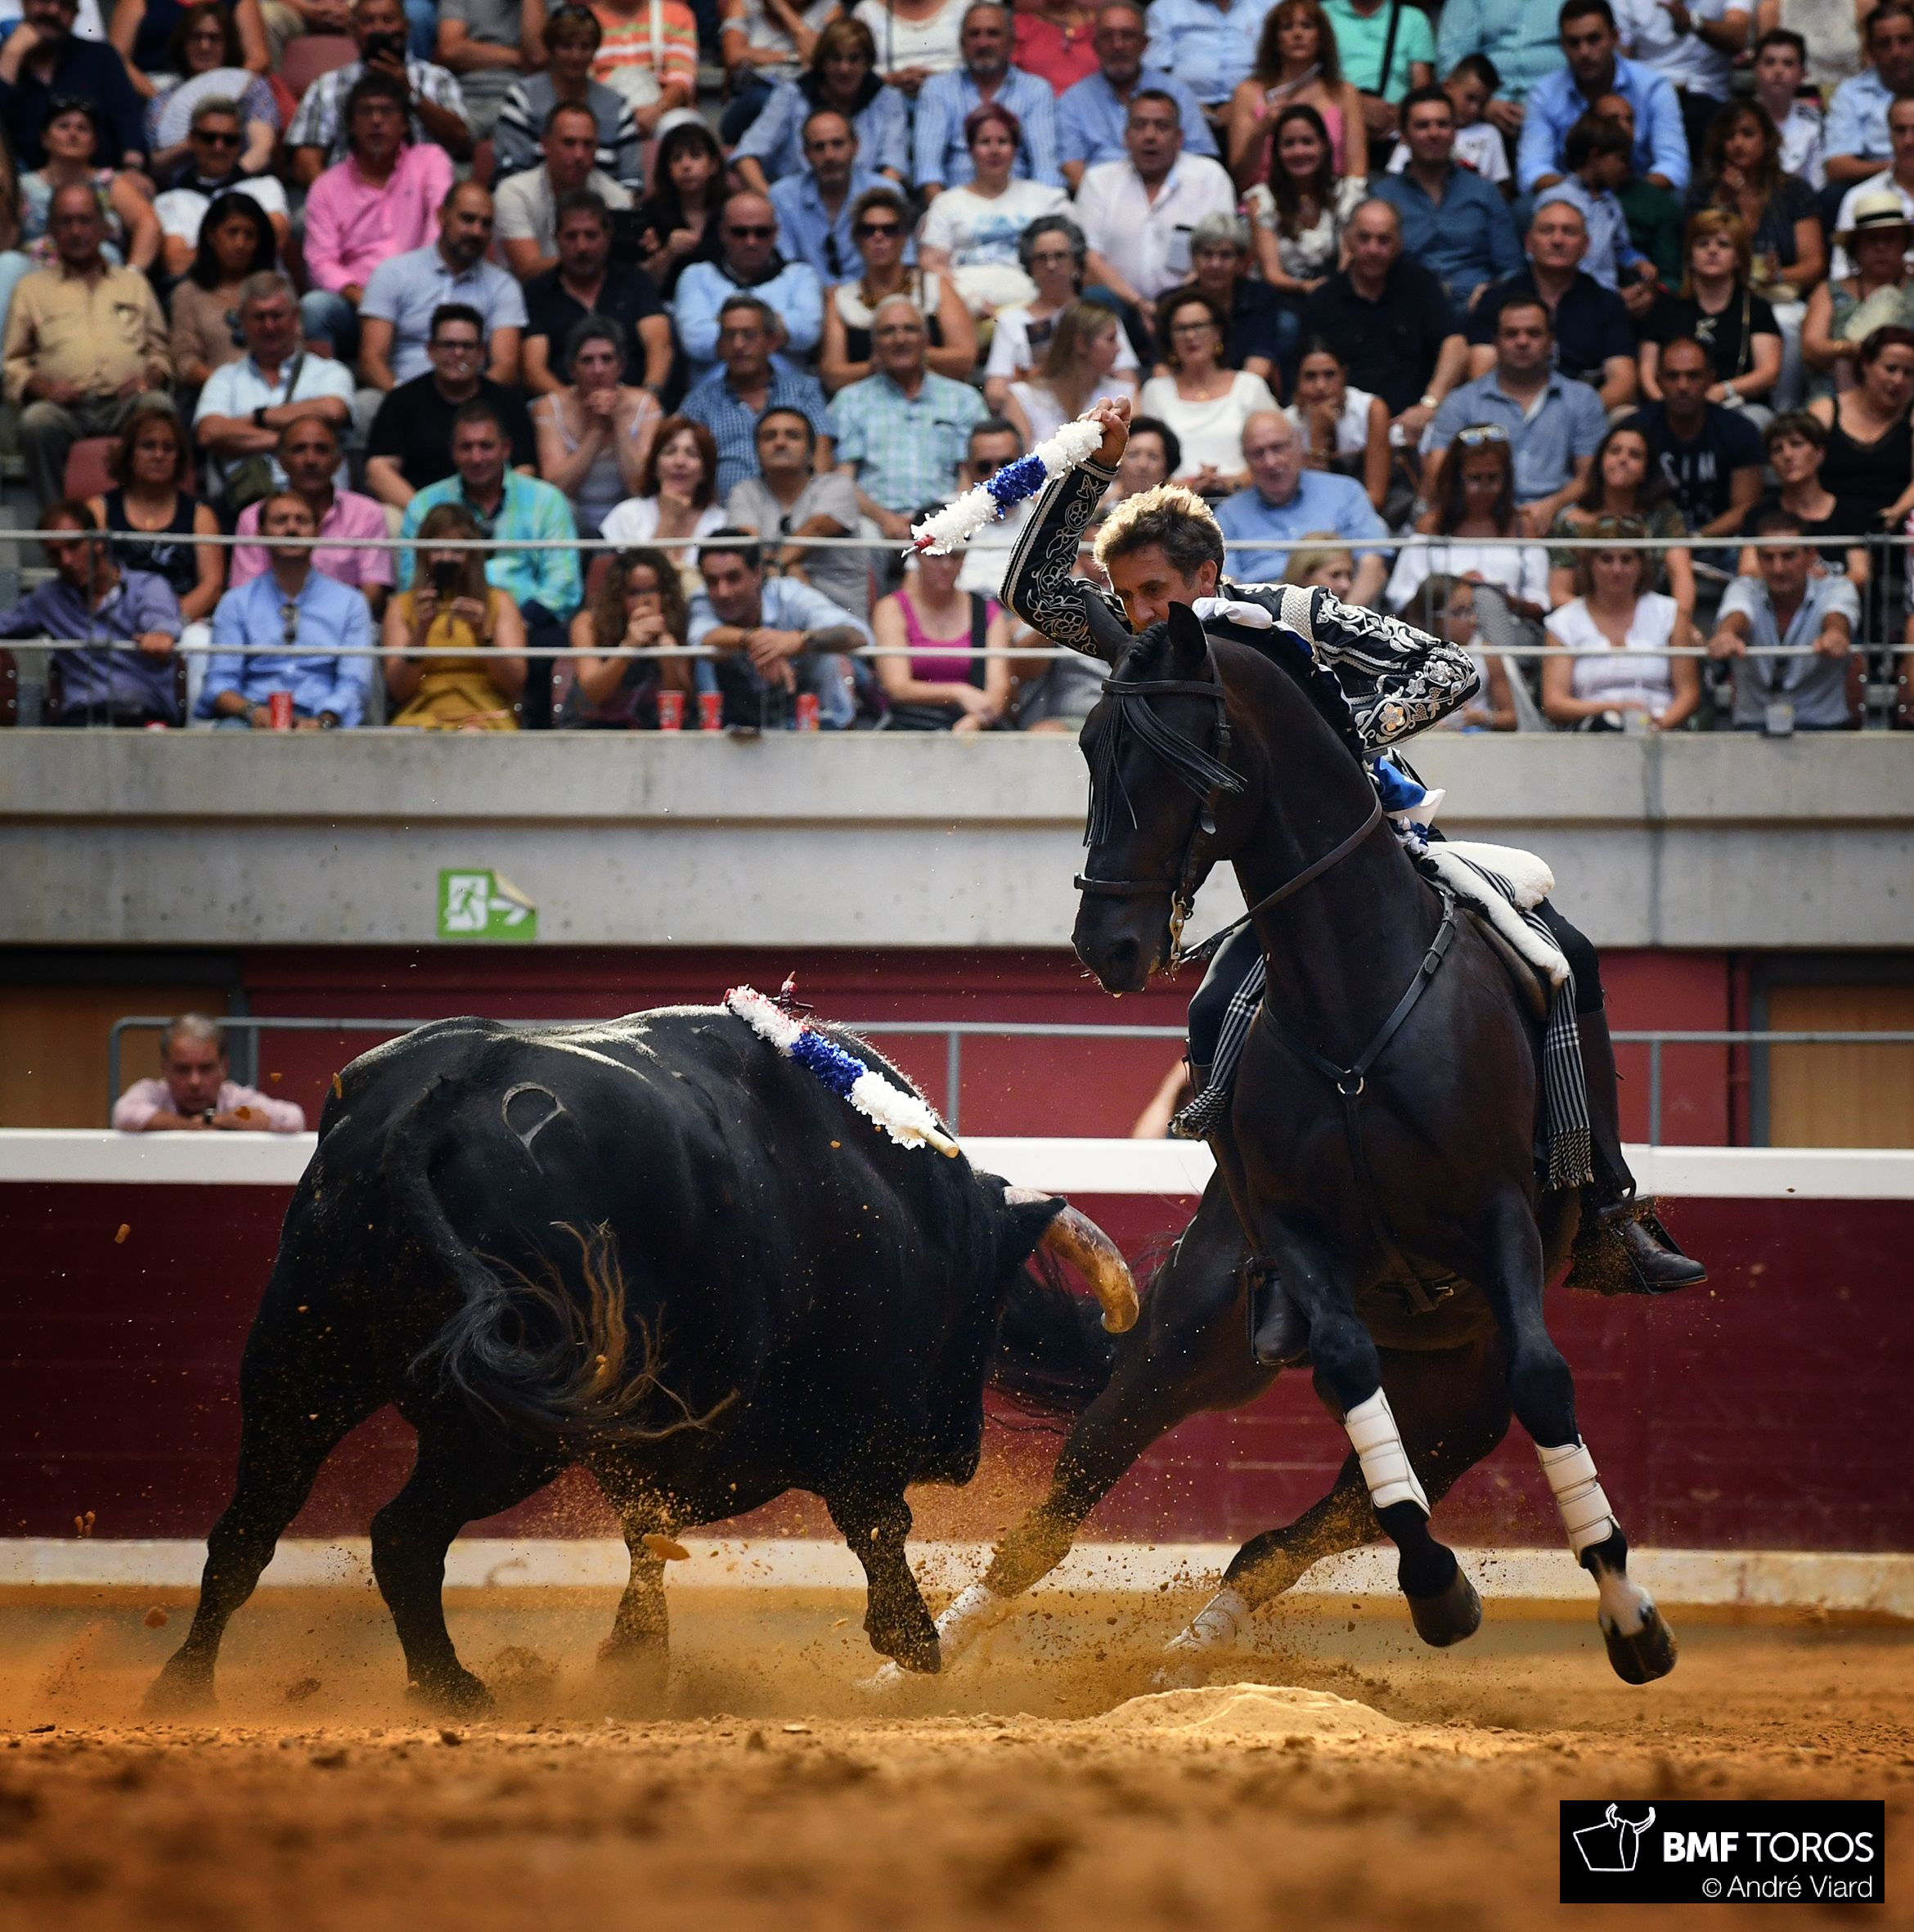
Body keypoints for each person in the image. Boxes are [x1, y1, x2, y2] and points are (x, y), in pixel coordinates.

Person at [1004, 396, 1705, 1289]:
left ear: (1208, 575)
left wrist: (1333, 749)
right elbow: (1030, 589)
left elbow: (1451, 667)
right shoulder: (1138, 646)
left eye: (1155, 592)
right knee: (1216, 1008)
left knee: (1563, 950)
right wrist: (1091, 470)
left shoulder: (1288, 611)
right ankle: (1266, 1251)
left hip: (1386, 851)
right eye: (1129, 594)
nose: (1138, 612)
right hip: (1276, 889)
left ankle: (1609, 1208)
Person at [398, 400, 582, 726]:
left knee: (546, 644)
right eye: (466, 447)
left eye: (486, 446)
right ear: (453, 452)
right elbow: (409, 578)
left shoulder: (546, 499)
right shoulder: (424, 504)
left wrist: (510, 621)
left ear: (507, 448)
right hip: (440, 613)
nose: (476, 457)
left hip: (527, 619)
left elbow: (563, 584)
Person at [3, 182, 171, 508]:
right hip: (65, 409)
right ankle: (60, 527)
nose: (76, 231)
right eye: (66, 222)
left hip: (126, 404)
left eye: (85, 220)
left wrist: (148, 380)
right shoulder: (31, 289)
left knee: (159, 408)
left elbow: (161, 352)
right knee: (36, 422)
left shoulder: (133, 284)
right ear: (51, 229)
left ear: (103, 227)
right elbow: (14, 364)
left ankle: (146, 519)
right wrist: (45, 389)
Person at [299, 70, 456, 366]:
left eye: (386, 111)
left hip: (422, 296)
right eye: (366, 112)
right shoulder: (327, 187)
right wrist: (364, 297)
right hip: (357, 304)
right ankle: (324, 389)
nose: (376, 121)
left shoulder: (429, 161)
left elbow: (440, 225)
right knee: (314, 307)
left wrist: (414, 286)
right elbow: (321, 262)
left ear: (404, 123)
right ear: (352, 125)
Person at [0, 496, 182, 725]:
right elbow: (6, 624)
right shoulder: (48, 598)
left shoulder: (147, 586)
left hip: (145, 714)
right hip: (80, 717)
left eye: (73, 546)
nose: (65, 560)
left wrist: (161, 636)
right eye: (55, 553)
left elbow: (160, 621)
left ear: (98, 541)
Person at [200, 492, 375, 729]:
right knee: (228, 737)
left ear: (318, 531)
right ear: (260, 533)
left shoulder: (351, 602)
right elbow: (219, 684)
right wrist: (253, 712)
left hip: (324, 718)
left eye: (302, 521)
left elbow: (354, 684)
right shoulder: (236, 602)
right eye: (280, 520)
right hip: (252, 716)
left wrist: (323, 721)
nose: (292, 529)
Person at [1297, 197, 1468, 434]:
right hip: (1346, 427)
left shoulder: (1421, 284)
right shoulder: (1324, 299)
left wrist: (1429, 404)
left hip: (1416, 423)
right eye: (1364, 238)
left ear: (1399, 242)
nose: (1373, 250)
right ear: (1348, 240)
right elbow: (1310, 370)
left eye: (1384, 240)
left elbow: (1455, 344)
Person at [1075, 89, 1237, 335]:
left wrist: (1171, 305)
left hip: (1191, 304)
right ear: (1126, 137)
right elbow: (1090, 257)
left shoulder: (1209, 177)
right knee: (1094, 299)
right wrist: (1139, 304)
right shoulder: (1098, 181)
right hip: (1121, 308)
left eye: (1162, 126)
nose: (1150, 136)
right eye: (1140, 126)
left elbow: (1221, 252)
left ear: (1179, 138)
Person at [0, 95, 160, 339]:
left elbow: (148, 224)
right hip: (36, 276)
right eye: (63, 126)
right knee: (9, 262)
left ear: (94, 142)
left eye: (82, 128)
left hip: (99, 272)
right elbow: (7, 240)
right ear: (45, 137)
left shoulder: (110, 183)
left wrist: (132, 275)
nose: (73, 134)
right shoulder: (24, 186)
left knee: (106, 252)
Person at [831, 292, 986, 541]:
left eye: (910, 329)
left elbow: (969, 475)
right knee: (858, 537)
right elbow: (844, 478)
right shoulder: (850, 401)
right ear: (875, 345)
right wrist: (885, 520)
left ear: (926, 339)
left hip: (947, 519)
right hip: (875, 522)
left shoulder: (963, 399)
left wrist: (943, 521)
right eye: (888, 331)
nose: (900, 339)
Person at [194, 272, 355, 505]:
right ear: (242, 320)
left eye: (277, 315)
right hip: (243, 509)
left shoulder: (329, 372)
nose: (269, 326)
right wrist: (288, 441)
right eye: (259, 317)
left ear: (296, 316)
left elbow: (333, 411)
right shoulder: (224, 378)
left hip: (321, 509)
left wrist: (257, 418)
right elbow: (210, 433)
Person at [1469, 200, 1641, 413]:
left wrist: (1575, 417)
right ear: (1529, 243)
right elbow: (1481, 371)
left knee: (1626, 415)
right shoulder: (1496, 298)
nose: (1557, 240)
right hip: (1510, 408)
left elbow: (1622, 379)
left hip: (1584, 411)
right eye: (1547, 231)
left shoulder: (1607, 303)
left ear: (1586, 245)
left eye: (1569, 232)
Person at [365, 302, 537, 511]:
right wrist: (429, 515)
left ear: (482, 353)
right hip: (423, 516)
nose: (458, 353)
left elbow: (525, 469)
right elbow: (378, 470)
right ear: (430, 350)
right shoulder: (401, 400)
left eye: (467, 346)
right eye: (448, 345)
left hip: (495, 511)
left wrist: (491, 510)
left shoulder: (508, 402)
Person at [361, 182, 527, 394]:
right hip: (401, 397)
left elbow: (505, 367)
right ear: (441, 216)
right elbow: (371, 359)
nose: (477, 231)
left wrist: (462, 406)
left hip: (471, 406)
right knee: (366, 402)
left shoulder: (503, 286)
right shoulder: (393, 273)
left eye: (486, 224)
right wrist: (404, 403)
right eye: (468, 219)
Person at [284, 0, 474, 186]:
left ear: (406, 27)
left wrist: (409, 92)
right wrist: (335, 202)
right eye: (368, 21)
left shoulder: (437, 79)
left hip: (421, 198)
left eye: (388, 20)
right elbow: (305, 161)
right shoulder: (327, 85)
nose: (379, 28)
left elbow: (460, 138)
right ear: (353, 31)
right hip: (347, 201)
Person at [690, 528, 866, 726]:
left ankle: (836, 728)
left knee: (829, 655)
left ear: (757, 573)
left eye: (733, 578)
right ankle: (710, 730)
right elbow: (701, 636)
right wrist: (760, 642)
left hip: (806, 718)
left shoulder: (787, 593)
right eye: (712, 581)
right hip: (740, 724)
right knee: (704, 658)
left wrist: (797, 641)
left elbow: (856, 633)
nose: (722, 592)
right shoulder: (703, 598)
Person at [1372, 83, 1523, 310]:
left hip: (1477, 308)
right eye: (1422, 126)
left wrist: (1493, 293)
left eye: (1443, 125)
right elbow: (1370, 270)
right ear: (1404, 136)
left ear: (1454, 133)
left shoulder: (1485, 193)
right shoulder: (1382, 198)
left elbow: (1512, 269)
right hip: (1407, 312)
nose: (1434, 133)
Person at [1244, 101, 1368, 379]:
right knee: (1287, 327)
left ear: (1324, 146)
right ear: (1277, 151)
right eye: (1289, 143)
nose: (1299, 151)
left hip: (1333, 287)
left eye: (1307, 142)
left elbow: (1349, 258)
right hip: (1282, 296)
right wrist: (1308, 287)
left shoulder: (1344, 192)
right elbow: (1272, 273)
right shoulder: (1262, 200)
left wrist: (1328, 287)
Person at [1540, 518, 1704, 728]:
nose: (1617, 569)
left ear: (1641, 565)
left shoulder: (1669, 613)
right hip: (1592, 735)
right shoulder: (1564, 621)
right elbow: (1554, 703)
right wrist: (1614, 708)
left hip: (1661, 732)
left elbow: (1689, 693)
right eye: (1607, 559)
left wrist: (1657, 727)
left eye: (1626, 560)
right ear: (1590, 565)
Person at [1517, 0, 1688, 195]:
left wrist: (1625, 198)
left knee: (1675, 199)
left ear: (1615, 37)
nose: (1584, 52)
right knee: (1525, 208)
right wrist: (1585, 197)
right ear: (1563, 46)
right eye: (1574, 43)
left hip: (1636, 198)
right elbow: (1532, 170)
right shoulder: (1544, 94)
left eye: (1594, 39)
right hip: (1568, 202)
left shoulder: (1653, 87)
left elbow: (1673, 166)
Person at [382, 500, 528, 729]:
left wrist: (483, 635)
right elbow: (398, 691)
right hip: (422, 715)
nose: (446, 558)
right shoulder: (402, 606)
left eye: (457, 550)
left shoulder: (499, 602)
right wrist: (421, 631)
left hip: (486, 714)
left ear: (472, 555)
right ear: (424, 554)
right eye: (437, 549)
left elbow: (514, 684)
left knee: (471, 736)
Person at [1711, 505, 1860, 727]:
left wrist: (1835, 633)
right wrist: (1726, 633)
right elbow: (1737, 612)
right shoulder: (1743, 588)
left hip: (1823, 727)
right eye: (1768, 557)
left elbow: (1837, 613)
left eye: (1788, 556)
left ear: (1811, 554)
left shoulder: (1838, 587)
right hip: (1754, 727)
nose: (1778, 568)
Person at [1386, 425, 1551, 625]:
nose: (1484, 488)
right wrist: (1455, 589)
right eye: (1475, 478)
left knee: (1486, 598)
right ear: (1455, 479)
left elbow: (1540, 604)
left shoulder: (1522, 527)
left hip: (1509, 630)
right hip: (1442, 632)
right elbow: (1402, 598)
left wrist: (1498, 595)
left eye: (1493, 478)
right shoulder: (1431, 525)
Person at [818, 182, 975, 390]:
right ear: (856, 238)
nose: (879, 237)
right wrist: (881, 364)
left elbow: (965, 358)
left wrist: (910, 355)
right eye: (868, 230)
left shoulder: (935, 287)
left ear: (904, 237)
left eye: (890, 230)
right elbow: (832, 374)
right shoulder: (841, 300)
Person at [1215, 407, 1389, 595]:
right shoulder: (1228, 514)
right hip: (1262, 610)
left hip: (1337, 603)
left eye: (1278, 448)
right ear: (1245, 459)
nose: (1271, 462)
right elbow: (1225, 584)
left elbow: (1373, 566)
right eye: (1258, 453)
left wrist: (1342, 621)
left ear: (1299, 445)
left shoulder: (1345, 492)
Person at [917, 101, 1067, 317]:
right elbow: (931, 264)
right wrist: (972, 300)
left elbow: (1064, 259)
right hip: (968, 309)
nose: (994, 150)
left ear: (1015, 149)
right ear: (970, 149)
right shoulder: (947, 203)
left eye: (1003, 142)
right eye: (985, 142)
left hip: (1033, 304)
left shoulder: (1044, 199)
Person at [731, 16, 910, 197]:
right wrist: (776, 204)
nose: (844, 68)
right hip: (796, 202)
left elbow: (893, 168)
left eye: (854, 59)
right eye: (835, 58)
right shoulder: (791, 94)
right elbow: (747, 156)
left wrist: (869, 211)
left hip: (864, 206)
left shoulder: (887, 98)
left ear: (867, 63)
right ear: (822, 62)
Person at [231, 415, 394, 608]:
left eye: (322, 449)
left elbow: (373, 590)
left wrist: (331, 626)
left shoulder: (367, 513)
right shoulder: (252, 517)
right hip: (269, 630)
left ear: (338, 460)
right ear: (281, 461)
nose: (310, 459)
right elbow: (245, 593)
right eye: (299, 449)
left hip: (344, 629)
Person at [681, 292, 834, 496]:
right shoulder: (699, 402)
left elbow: (821, 454)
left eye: (749, 335)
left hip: (798, 512)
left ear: (772, 342)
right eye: (729, 335)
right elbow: (684, 465)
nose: (738, 345)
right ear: (719, 346)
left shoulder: (803, 391)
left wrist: (812, 507)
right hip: (725, 519)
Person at [88, 407, 222, 641]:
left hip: (182, 621)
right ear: (130, 454)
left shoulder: (201, 516)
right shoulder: (99, 510)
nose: (159, 455)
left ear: (179, 457)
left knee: (200, 640)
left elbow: (211, 585)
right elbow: (91, 578)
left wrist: (164, 624)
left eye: (168, 448)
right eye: (148, 446)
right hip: (115, 620)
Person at [521, 191, 671, 398]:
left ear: (608, 236)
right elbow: (534, 370)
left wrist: (645, 401)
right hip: (564, 412)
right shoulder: (538, 291)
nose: (582, 247)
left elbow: (659, 345)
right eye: (571, 236)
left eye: (591, 235)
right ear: (557, 239)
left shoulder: (636, 281)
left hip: (632, 407)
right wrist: (575, 411)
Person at [1057, 0, 1216, 193]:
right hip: (1101, 204)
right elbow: (1072, 168)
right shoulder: (1074, 101)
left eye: (1128, 36)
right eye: (1108, 37)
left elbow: (1202, 160)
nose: (1118, 45)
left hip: (1174, 198)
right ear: (1095, 45)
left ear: (1145, 44)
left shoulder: (1177, 92)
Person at [726, 403, 868, 618]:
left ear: (811, 452)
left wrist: (775, 566)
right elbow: (748, 547)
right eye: (769, 437)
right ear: (756, 451)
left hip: (840, 621)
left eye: (792, 436)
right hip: (770, 624)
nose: (780, 443)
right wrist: (788, 571)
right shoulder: (744, 492)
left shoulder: (836, 485)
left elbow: (817, 528)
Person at [1639, 209, 1784, 420]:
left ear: (1738, 258)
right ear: (1690, 256)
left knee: (1757, 419)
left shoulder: (1756, 309)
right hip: (1669, 408)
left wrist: (1722, 391)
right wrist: (1665, 404)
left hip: (1735, 407)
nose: (1712, 251)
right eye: (1703, 244)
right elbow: (1646, 373)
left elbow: (1768, 373)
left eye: (1723, 245)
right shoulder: (1664, 306)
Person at [1547, 418, 1696, 614]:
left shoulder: (1663, 516)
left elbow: (1682, 581)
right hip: (1586, 628)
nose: (1623, 459)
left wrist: (1679, 623)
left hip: (1651, 623)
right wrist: (1605, 623)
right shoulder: (1571, 522)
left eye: (1634, 455)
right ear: (1601, 461)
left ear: (1646, 470)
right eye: (1614, 451)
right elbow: (1558, 595)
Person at [982, 212, 1130, 409]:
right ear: (1030, 265)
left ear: (1076, 262)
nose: (1051, 265)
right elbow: (995, 393)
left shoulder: (1100, 316)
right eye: (1041, 258)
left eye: (1060, 256)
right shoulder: (1011, 321)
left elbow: (1128, 383)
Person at [672, 190, 824, 382]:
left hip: (787, 401)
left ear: (775, 233)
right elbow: (697, 342)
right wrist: (772, 327)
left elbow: (806, 333)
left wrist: (725, 326)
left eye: (761, 232)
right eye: (740, 232)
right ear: (723, 233)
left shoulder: (801, 275)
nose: (751, 242)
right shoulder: (696, 276)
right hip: (713, 402)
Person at [912, 2, 1059, 199]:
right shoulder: (937, 89)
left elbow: (1046, 170)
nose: (983, 43)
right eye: (974, 34)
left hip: (1024, 208)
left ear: (1011, 43)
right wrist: (946, 215)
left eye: (993, 34)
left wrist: (1036, 219)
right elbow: (928, 170)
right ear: (962, 43)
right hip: (955, 207)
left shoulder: (1035, 90)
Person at [870, 524, 1011, 728]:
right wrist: (958, 692)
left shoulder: (987, 611)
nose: (946, 566)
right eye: (936, 556)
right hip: (910, 725)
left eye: (955, 556)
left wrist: (978, 720)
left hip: (972, 724)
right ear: (917, 554)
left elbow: (999, 689)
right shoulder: (892, 609)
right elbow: (896, 686)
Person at [1135, 289, 1274, 496]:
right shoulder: (1156, 391)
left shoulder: (1250, 386)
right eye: (1181, 329)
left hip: (1246, 497)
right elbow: (1144, 462)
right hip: (1174, 507)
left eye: (1198, 326)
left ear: (1218, 332)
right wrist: (1187, 488)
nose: (1190, 335)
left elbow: (1276, 449)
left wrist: (1234, 483)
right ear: (1169, 338)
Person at [1630, 335, 1768, 539]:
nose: (1683, 386)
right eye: (1672, 376)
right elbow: (1620, 500)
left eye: (1693, 376)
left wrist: (1696, 539)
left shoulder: (1739, 430)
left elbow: (1746, 507)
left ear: (1710, 380)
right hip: (1650, 543)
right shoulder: (1635, 429)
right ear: (1659, 381)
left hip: (1720, 544)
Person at [531, 316, 659, 535]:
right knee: (563, 509)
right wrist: (597, 429)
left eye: (607, 359)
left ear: (620, 367)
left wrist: (617, 421)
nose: (598, 370)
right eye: (587, 361)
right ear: (572, 370)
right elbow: (557, 489)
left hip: (627, 516)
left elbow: (642, 487)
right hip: (571, 520)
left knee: (645, 509)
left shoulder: (646, 405)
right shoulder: (550, 408)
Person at [493, 1, 644, 185]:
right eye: (567, 46)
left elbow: (631, 182)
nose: (576, 56)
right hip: (535, 204)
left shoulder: (617, 105)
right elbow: (510, 174)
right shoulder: (523, 97)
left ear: (595, 51)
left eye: (585, 47)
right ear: (551, 49)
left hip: (601, 206)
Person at [1225, 0, 1367, 187]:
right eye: (1287, 27)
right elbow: (1240, 177)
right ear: (1275, 40)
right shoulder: (1248, 92)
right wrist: (1261, 131)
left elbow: (1356, 172)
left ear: (1321, 37)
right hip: (1263, 202)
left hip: (1332, 200)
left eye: (1307, 26)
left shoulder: (1344, 92)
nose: (1298, 34)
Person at [494, 98, 633, 281]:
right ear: (545, 145)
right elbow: (528, 271)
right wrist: (594, 257)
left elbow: (624, 274)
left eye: (587, 144)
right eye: (569, 143)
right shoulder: (514, 193)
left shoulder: (618, 199)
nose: (579, 155)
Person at [151, 95, 288, 280]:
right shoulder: (168, 201)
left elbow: (271, 244)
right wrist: (239, 250)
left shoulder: (267, 188)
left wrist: (201, 251)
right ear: (192, 139)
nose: (219, 147)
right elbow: (177, 264)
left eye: (229, 139)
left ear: (240, 144)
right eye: (209, 138)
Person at [0, 0, 146, 172]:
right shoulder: (6, 60)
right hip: (22, 184)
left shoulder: (101, 57)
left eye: (65, 5)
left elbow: (128, 121)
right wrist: (12, 55)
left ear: (76, 14)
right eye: (43, 1)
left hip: (99, 182)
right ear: (25, 4)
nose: (53, 11)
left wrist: (133, 169)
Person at [561, 543, 694, 726]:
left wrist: (668, 661)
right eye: (634, 592)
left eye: (652, 590)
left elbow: (679, 706)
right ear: (619, 594)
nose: (644, 601)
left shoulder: (677, 622)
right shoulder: (588, 623)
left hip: (650, 733)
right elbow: (592, 694)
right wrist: (628, 648)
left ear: (664, 593)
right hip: (592, 728)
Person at [144, 2, 279, 178]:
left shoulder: (252, 88)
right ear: (183, 43)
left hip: (243, 181)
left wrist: (226, 180)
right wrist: (190, 144)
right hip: (183, 190)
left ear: (228, 44)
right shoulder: (162, 100)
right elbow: (153, 164)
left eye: (214, 38)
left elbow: (261, 150)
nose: (204, 46)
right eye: (196, 37)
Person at [1803, 191, 1914, 399]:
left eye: (1890, 238)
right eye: (1872, 240)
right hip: (1837, 395)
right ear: (1856, 247)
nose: (1881, 247)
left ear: (1904, 244)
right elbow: (1811, 349)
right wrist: (1849, 348)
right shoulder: (1828, 290)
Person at [1737, 410, 1871, 582]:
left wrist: (1817, 588)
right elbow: (1748, 571)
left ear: (1820, 453)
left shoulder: (1851, 512)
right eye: (1777, 449)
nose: (1788, 455)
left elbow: (1861, 575)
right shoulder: (1760, 515)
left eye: (1797, 444)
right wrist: (1802, 580)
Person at [113, 1014, 305, 1133]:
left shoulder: (235, 1099)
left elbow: (291, 1118)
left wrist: (218, 1120)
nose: (195, 1081)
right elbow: (124, 1113)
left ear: (224, 1067)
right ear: (164, 1068)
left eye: (206, 1069)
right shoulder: (153, 1092)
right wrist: (189, 1126)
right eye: (182, 1069)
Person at [1806, 321, 1914, 528]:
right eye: (1891, 369)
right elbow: (1801, 471)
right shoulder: (1825, 410)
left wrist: (1895, 513)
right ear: (1866, 364)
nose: (1899, 380)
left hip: (1892, 528)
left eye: (1908, 372)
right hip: (1828, 527)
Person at [1614, 0, 1750, 160]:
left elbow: (1737, 38)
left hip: (1705, 92)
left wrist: (1694, 22)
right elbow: (1621, 57)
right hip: (1648, 91)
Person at [168, 189, 273, 392]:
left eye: (249, 235)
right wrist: (233, 387)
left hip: (276, 394)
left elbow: (295, 347)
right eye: (232, 232)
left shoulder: (275, 290)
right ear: (211, 236)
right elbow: (185, 362)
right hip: (215, 398)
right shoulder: (187, 294)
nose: (240, 244)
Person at [1540, 115, 1656, 294]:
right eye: (1620, 159)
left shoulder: (1610, 202)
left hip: (1608, 293)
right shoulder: (1555, 199)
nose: (1626, 167)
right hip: (1565, 293)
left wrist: (1638, 262)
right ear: (1595, 156)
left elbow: (1620, 248)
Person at [1004, 295, 1134, 452]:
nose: (1119, 348)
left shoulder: (1123, 396)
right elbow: (1016, 467)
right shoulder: (1023, 397)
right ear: (1081, 343)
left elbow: (1132, 459)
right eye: (1111, 339)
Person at [769, 108, 883, 285]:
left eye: (837, 144)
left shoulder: (884, 192)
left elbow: (902, 262)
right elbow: (784, 267)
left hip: (871, 300)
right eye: (819, 147)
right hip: (808, 300)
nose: (829, 156)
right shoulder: (782, 197)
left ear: (855, 146)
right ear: (805, 154)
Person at [600, 413, 726, 566]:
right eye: (670, 452)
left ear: (705, 472)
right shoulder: (627, 515)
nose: (680, 462)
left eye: (692, 454)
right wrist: (667, 520)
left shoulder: (721, 523)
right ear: (654, 466)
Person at [1287, 336, 1391, 514]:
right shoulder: (1286, 424)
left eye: (1330, 375)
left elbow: (1376, 497)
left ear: (1344, 374)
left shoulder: (1371, 410)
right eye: (1310, 377)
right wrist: (1317, 437)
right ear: (1297, 380)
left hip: (1364, 514)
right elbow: (1304, 502)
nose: (1321, 386)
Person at [1325, 0, 1436, 161]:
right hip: (1335, 122)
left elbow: (1421, 86)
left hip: (1397, 131)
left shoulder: (1414, 19)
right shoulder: (1324, 14)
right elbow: (1310, 75)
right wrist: (1356, 106)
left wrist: (1400, 117)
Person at [719, 0, 841, 146]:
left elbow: (822, 56)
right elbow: (733, 56)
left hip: (806, 96)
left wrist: (783, 10)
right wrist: (793, 57)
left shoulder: (829, 7)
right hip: (752, 98)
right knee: (766, 98)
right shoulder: (745, 4)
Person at [1823, 0, 1914, 191]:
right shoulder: (1851, 93)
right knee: (1833, 195)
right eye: (1884, 44)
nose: (1896, 52)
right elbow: (1837, 165)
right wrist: (1899, 170)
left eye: (1905, 40)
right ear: (1871, 50)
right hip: (1874, 186)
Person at [1385, 49, 1510, 187]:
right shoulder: (1422, 129)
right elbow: (1394, 177)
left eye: (1483, 103)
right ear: (1448, 86)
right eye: (1470, 98)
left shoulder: (1489, 134)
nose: (1475, 109)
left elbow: (1501, 187)